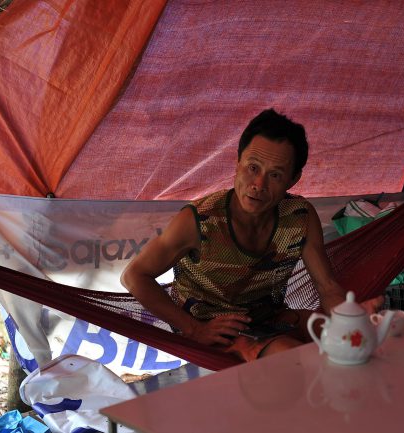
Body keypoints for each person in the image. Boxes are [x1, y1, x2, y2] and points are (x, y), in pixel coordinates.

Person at [121, 109, 383, 361]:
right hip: (215, 329)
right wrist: (193, 329)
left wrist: (351, 317)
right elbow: (134, 276)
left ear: (293, 179)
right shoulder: (199, 220)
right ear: (237, 164)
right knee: (293, 354)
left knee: (352, 335)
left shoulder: (299, 216)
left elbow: (327, 287)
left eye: (275, 175)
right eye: (253, 168)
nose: (258, 184)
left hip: (268, 319)